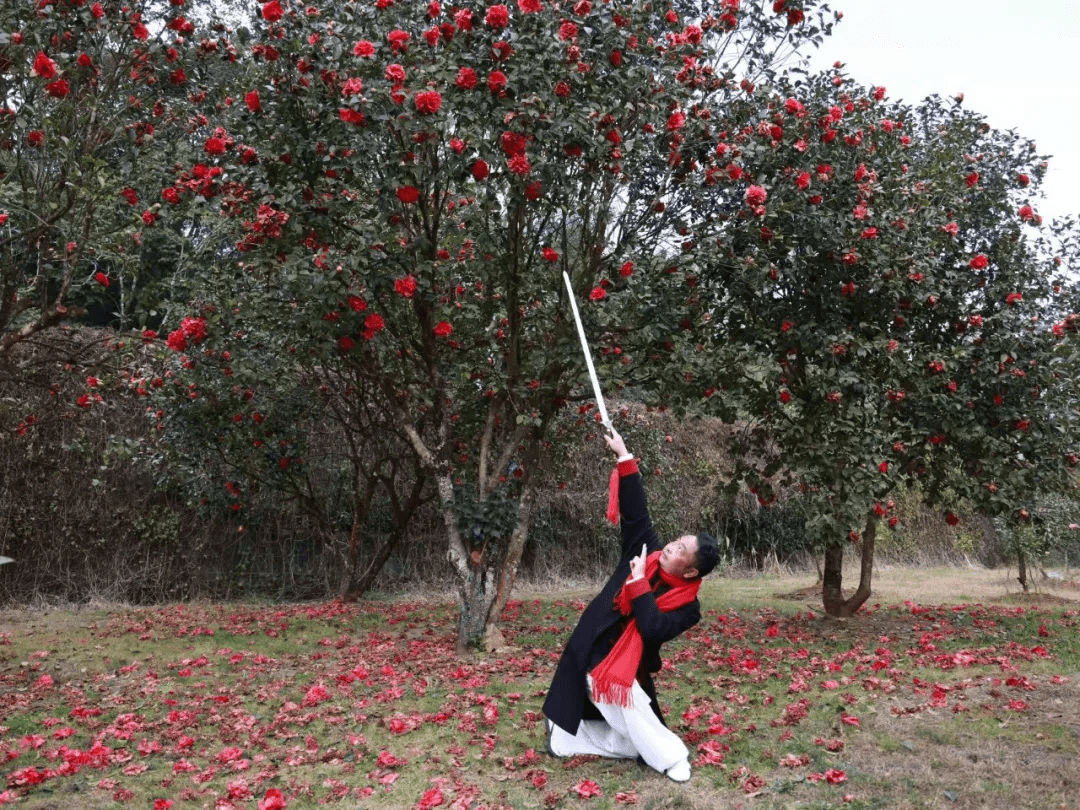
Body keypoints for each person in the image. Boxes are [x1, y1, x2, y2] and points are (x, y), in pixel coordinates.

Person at [542, 428, 719, 782]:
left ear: (692, 570)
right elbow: (636, 511)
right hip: (590, 650)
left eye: (683, 550)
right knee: (630, 704)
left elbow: (653, 627)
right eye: (677, 541)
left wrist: (638, 583)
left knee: (632, 713)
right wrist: (624, 455)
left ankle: (565, 741)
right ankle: (671, 758)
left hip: (627, 667)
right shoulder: (645, 549)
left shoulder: (689, 608)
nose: (673, 547)